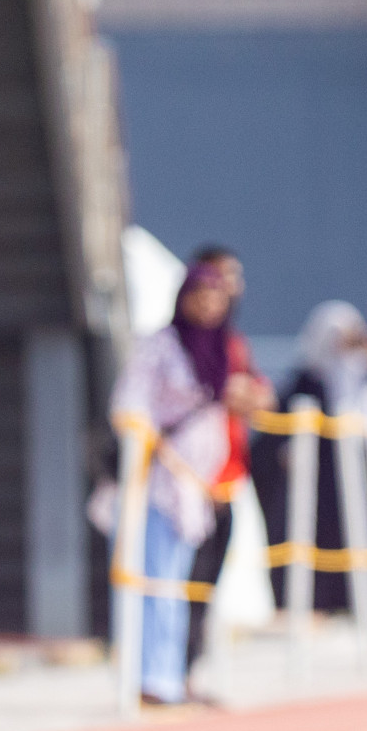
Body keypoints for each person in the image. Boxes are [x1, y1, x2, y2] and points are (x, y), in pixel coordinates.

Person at [110, 263, 233, 705]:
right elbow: (130, 405)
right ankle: (148, 679)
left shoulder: (219, 351)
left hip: (197, 486)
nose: (207, 306)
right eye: (199, 296)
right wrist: (157, 447)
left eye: (216, 298)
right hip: (159, 483)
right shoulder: (160, 346)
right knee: (154, 583)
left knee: (178, 586)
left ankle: (170, 674)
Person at [179, 248, 273, 693]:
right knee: (179, 583)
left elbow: (260, 392)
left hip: (226, 479)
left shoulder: (233, 344)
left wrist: (243, 393)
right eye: (220, 277)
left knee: (207, 583)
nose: (230, 287)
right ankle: (167, 674)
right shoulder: (173, 342)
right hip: (183, 482)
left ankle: (189, 670)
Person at [251, 301, 367, 614]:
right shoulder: (303, 380)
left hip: (344, 480)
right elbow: (273, 436)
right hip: (308, 482)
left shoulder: (359, 376)